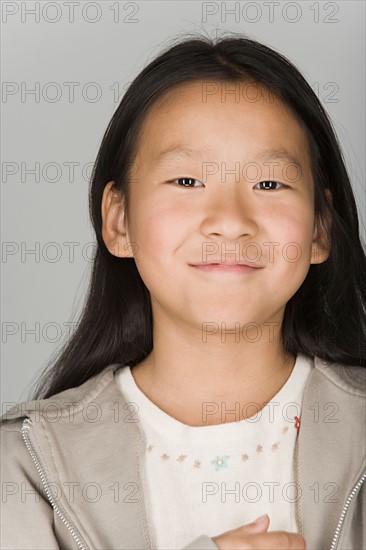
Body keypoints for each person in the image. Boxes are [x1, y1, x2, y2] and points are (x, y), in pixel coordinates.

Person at [1, 31, 365, 550]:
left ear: (319, 230)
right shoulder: (25, 466)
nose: (230, 222)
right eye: (187, 182)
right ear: (119, 221)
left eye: (269, 184)